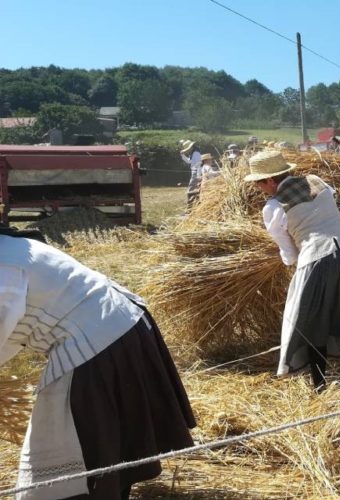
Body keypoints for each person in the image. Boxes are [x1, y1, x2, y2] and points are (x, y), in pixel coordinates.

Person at [0, 227, 196, 499]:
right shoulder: (10, 248)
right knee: (104, 441)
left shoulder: (4, 264)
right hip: (120, 326)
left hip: (98, 341)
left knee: (75, 445)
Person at [245, 150, 340, 390]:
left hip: (317, 258)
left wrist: (291, 263)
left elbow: (289, 252)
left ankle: (320, 385)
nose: (259, 188)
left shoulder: (273, 207)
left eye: (259, 182)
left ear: (270, 180)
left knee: (311, 320)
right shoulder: (317, 181)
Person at [180, 140, 202, 207]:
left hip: (196, 173)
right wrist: (182, 155)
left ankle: (190, 207)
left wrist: (198, 175)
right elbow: (189, 162)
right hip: (195, 172)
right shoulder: (193, 153)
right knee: (194, 189)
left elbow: (198, 163)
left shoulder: (196, 153)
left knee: (191, 189)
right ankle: (193, 205)